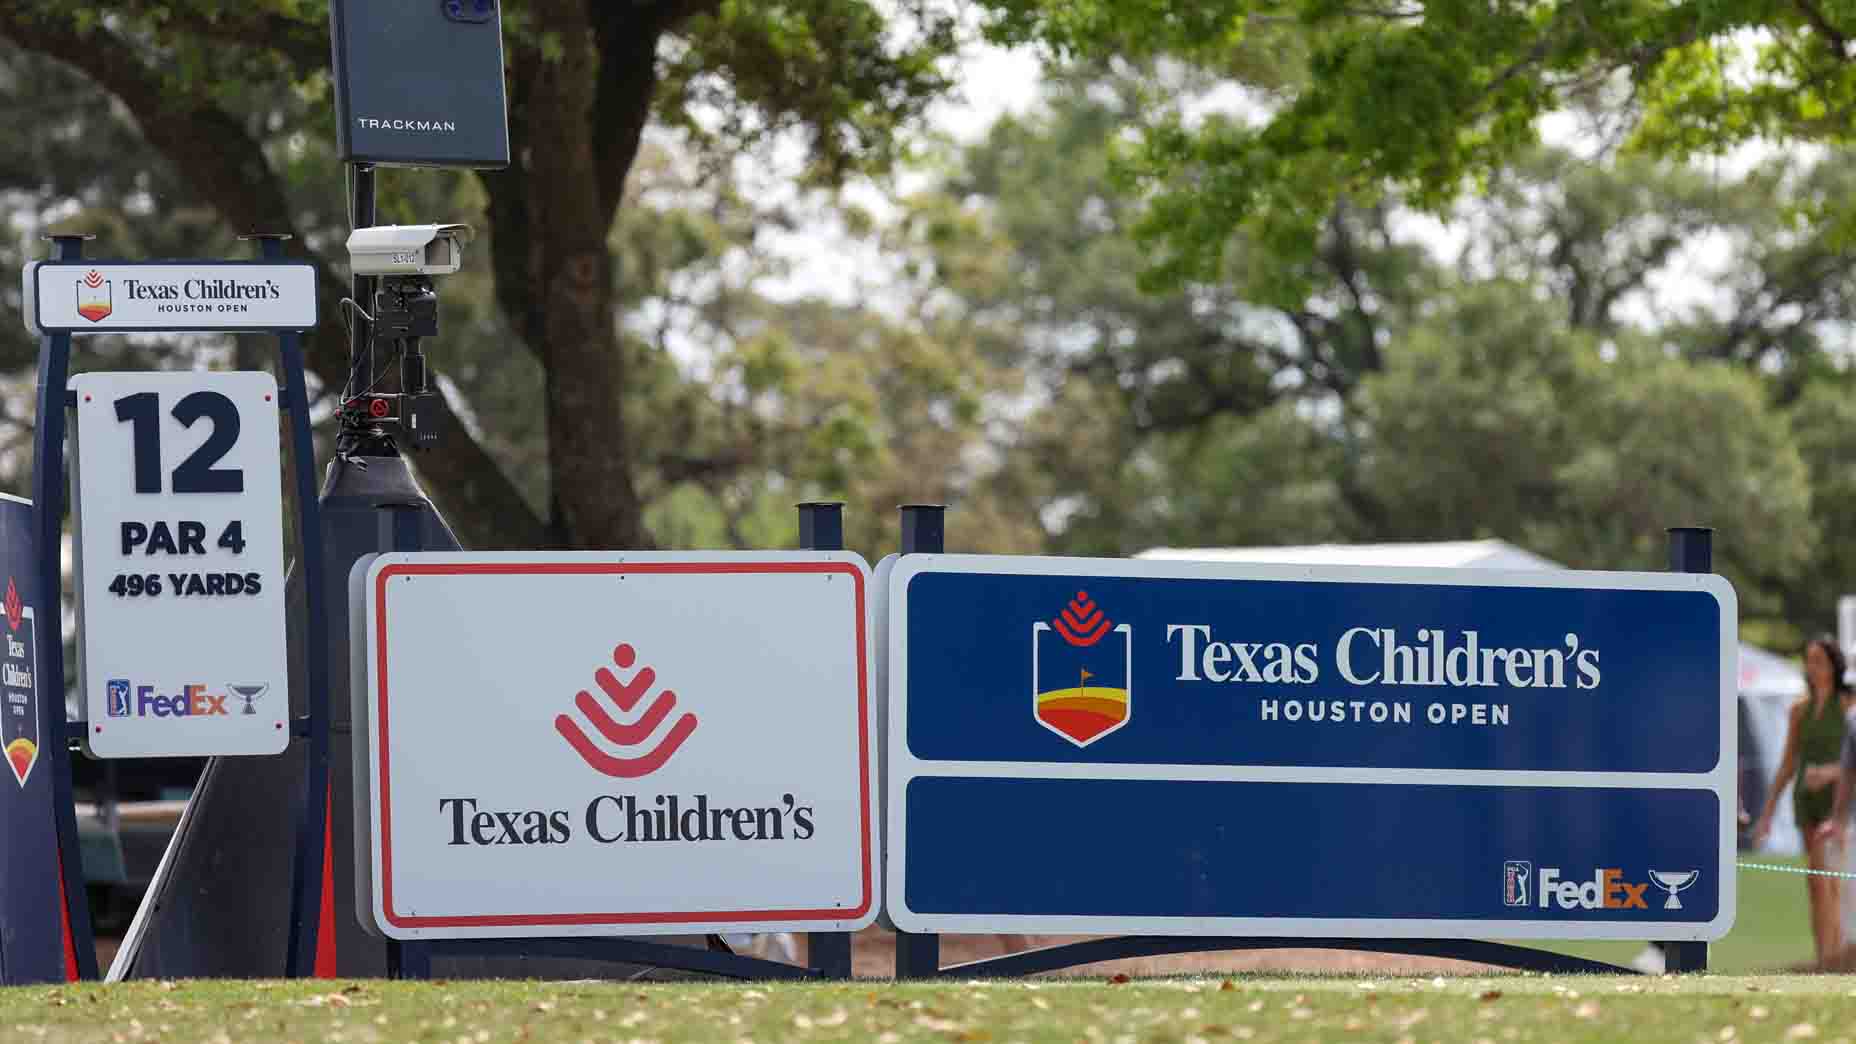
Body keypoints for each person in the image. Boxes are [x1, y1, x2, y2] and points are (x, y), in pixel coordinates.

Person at [1751, 636, 1851, 967]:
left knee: (1830, 880)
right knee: (1816, 882)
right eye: (1809, 660)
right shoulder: (1799, 710)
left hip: (1839, 802)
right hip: (1806, 802)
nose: (1812, 667)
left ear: (1834, 666)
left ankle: (1833, 957)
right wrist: (1766, 814)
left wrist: (1829, 773)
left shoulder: (1848, 706)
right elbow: (1787, 764)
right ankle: (1824, 954)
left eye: (1819, 660)